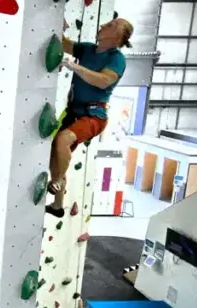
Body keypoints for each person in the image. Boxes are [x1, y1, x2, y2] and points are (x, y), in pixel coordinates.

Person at [46, 18, 132, 217]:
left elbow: (103, 81)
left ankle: (58, 182)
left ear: (117, 36)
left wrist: (74, 67)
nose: (102, 26)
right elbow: (63, 42)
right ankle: (58, 206)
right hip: (74, 112)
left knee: (63, 140)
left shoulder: (116, 58)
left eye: (109, 25)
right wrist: (59, 24)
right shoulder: (87, 49)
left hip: (94, 115)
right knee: (56, 158)